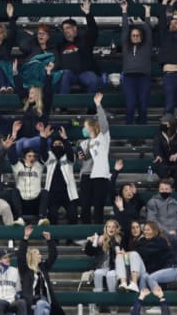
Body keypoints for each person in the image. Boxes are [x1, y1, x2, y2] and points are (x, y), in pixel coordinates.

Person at [17, 226, 65, 315]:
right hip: (30, 302)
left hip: (44, 300)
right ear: (33, 257)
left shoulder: (43, 268)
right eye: (39, 254)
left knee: (41, 304)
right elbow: (21, 256)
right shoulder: (25, 270)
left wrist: (49, 240)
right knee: (44, 311)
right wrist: (25, 238)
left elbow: (53, 256)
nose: (41, 256)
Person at [11, 62, 55, 159]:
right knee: (17, 144)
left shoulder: (44, 106)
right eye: (29, 93)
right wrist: (15, 72)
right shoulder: (27, 105)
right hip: (26, 138)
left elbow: (48, 91)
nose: (30, 95)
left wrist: (48, 73)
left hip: (40, 138)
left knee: (26, 143)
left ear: (38, 95)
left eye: (32, 93)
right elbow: (19, 89)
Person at [79, 92, 111, 224]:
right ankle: (85, 232)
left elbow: (103, 123)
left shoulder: (103, 137)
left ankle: (98, 231)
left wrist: (98, 105)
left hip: (100, 175)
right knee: (85, 206)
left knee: (98, 206)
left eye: (85, 126)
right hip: (87, 175)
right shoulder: (83, 142)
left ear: (91, 127)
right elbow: (86, 159)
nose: (84, 129)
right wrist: (82, 157)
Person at [57, 0, 100, 94]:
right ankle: (62, 106)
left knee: (93, 79)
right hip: (69, 74)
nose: (65, 31)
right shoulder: (61, 45)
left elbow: (93, 31)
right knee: (65, 74)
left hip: (84, 73)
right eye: (64, 29)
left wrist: (88, 13)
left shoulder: (85, 40)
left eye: (67, 28)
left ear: (75, 28)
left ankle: (92, 107)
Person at [40, 126, 79, 230]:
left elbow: (70, 152)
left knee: (73, 215)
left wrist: (65, 139)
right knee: (52, 216)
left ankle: (71, 239)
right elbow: (43, 152)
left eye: (60, 144)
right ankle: (54, 240)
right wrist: (43, 138)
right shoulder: (49, 156)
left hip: (68, 193)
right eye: (55, 144)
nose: (57, 145)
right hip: (52, 193)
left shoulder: (69, 157)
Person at [120, 2, 153, 124]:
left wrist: (147, 13)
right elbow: (125, 29)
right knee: (130, 106)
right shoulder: (125, 46)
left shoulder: (147, 45)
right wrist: (124, 11)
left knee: (143, 106)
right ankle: (129, 133)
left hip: (144, 77)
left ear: (141, 36)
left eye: (137, 35)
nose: (135, 37)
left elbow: (148, 29)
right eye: (133, 35)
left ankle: (142, 133)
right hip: (128, 78)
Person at [146, 180, 177, 257]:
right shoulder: (153, 202)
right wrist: (167, 231)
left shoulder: (174, 202)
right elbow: (152, 220)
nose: (164, 191)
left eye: (166, 189)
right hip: (160, 234)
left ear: (171, 190)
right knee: (174, 240)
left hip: (175, 234)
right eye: (162, 189)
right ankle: (171, 264)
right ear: (158, 190)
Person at [9, 147, 49, 227]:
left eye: (34, 156)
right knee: (14, 191)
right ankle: (20, 219)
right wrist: (12, 144)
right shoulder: (17, 166)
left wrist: (43, 139)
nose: (32, 158)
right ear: (24, 157)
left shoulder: (39, 166)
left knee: (45, 192)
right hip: (22, 204)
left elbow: (44, 155)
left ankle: (41, 219)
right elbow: (12, 156)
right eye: (29, 156)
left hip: (35, 204)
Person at [84, 220, 124, 293]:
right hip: (102, 267)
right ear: (106, 228)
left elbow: (118, 250)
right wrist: (91, 242)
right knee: (97, 273)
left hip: (114, 267)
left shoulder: (119, 239)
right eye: (109, 227)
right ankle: (98, 295)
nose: (111, 229)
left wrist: (109, 240)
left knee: (110, 275)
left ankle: (112, 295)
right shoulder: (100, 238)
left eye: (113, 227)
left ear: (116, 229)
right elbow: (89, 253)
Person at [152, 114, 177, 192]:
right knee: (162, 174)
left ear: (171, 124)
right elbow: (156, 146)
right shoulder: (159, 133)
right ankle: (164, 195)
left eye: (165, 123)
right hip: (164, 160)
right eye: (161, 122)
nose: (162, 124)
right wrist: (158, 155)